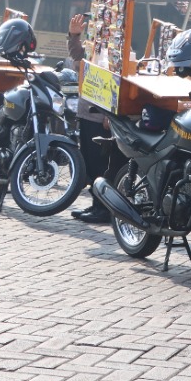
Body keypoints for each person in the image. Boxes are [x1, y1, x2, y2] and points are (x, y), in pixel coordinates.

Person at [65, 12, 118, 223]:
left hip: (100, 117)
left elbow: (116, 84)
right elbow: (77, 56)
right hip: (86, 111)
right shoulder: (93, 47)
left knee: (100, 164)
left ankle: (105, 209)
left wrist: (109, 114)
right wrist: (74, 35)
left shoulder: (116, 50)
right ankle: (96, 205)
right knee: (89, 163)